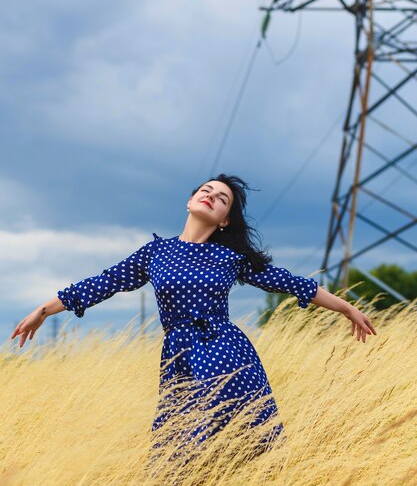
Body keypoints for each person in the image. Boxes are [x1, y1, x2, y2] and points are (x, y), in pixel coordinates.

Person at [11, 173, 377, 465]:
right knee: (178, 448)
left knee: (245, 441)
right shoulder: (157, 251)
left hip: (228, 354)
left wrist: (346, 307)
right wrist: (44, 310)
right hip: (181, 355)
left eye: (221, 199)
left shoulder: (230, 257)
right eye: (206, 191)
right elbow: (104, 282)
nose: (211, 196)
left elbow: (289, 282)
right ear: (189, 201)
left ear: (225, 219)